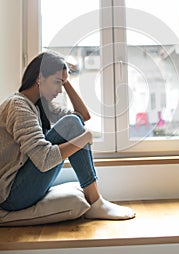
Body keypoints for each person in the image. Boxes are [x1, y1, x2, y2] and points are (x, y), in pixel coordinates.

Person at [0, 51, 135, 220]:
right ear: (39, 78)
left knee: (73, 123)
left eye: (62, 84)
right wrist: (83, 139)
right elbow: (44, 159)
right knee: (71, 124)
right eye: (57, 83)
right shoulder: (18, 107)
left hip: (24, 186)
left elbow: (82, 116)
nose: (60, 90)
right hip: (13, 195)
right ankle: (95, 201)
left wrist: (65, 81)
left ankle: (96, 201)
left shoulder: (38, 106)